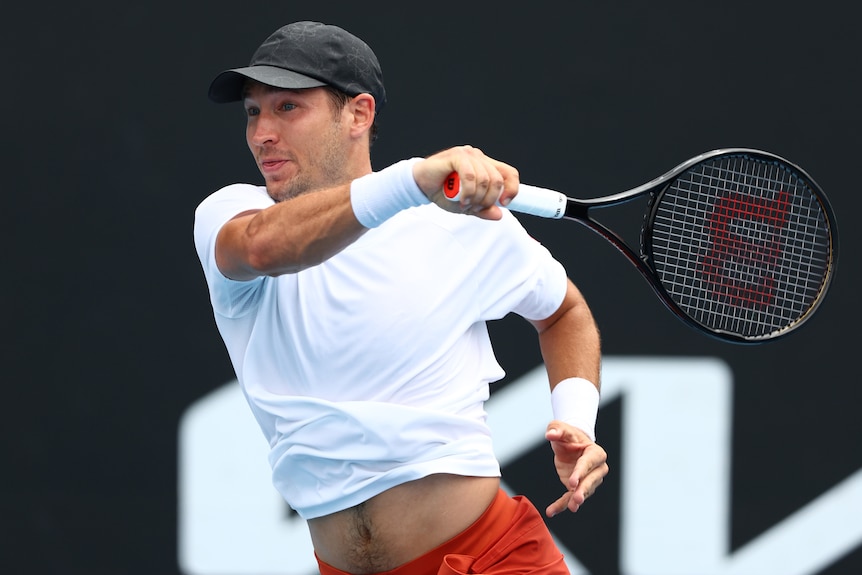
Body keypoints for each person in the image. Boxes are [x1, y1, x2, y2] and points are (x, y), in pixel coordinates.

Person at [194, 20, 609, 575]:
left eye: (287, 108)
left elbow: (565, 312)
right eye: (253, 111)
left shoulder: (463, 223)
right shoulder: (231, 213)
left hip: (493, 557)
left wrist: (577, 420)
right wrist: (412, 182)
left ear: (358, 115)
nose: (262, 132)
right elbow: (266, 247)